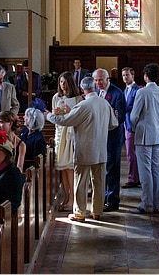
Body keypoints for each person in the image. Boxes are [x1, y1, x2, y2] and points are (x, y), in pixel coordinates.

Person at [45, 76, 117, 222]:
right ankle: (97, 211)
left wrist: (49, 116)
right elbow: (113, 124)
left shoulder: (84, 105)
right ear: (94, 87)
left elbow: (65, 120)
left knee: (81, 181)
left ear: (83, 89)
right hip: (101, 149)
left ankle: (80, 212)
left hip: (85, 149)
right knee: (99, 181)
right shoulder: (104, 103)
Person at [130, 62, 159, 214]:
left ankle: (146, 203)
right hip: (157, 133)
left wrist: (133, 128)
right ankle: (156, 203)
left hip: (144, 134)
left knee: (145, 170)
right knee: (155, 169)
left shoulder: (142, 92)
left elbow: (134, 115)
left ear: (146, 75)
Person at [93, 67, 126, 212]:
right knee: (101, 166)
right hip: (99, 135)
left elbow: (120, 116)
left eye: (100, 80)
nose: (98, 83)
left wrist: (111, 116)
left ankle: (112, 200)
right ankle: (102, 195)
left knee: (112, 166)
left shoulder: (116, 93)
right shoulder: (96, 92)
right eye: (96, 80)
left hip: (112, 135)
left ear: (107, 79)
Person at [52, 72, 81, 211]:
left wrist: (70, 112)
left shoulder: (78, 99)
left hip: (71, 134)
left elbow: (79, 118)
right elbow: (53, 116)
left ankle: (73, 199)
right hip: (60, 133)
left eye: (65, 82)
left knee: (70, 168)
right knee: (62, 168)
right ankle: (66, 196)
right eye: (61, 82)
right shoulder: (56, 97)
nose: (62, 85)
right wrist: (56, 113)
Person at [120, 66, 141, 189]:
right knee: (129, 152)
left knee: (131, 153)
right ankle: (133, 177)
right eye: (123, 75)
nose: (125, 77)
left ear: (132, 76)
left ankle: (133, 178)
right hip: (125, 123)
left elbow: (135, 107)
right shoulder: (126, 89)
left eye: (127, 75)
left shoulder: (136, 90)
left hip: (132, 124)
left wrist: (120, 109)